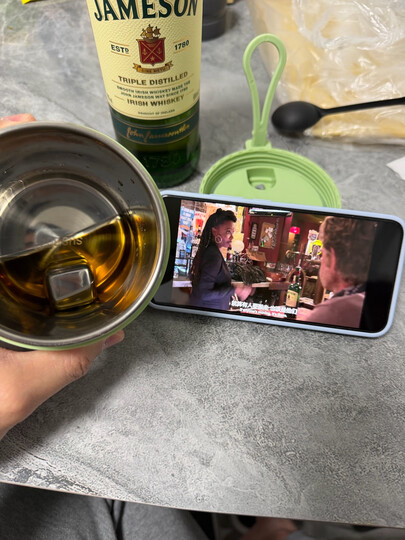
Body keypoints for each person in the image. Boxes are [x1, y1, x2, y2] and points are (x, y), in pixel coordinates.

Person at [297, 216, 376, 328]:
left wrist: (317, 317)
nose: (321, 260)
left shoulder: (335, 312)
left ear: (333, 259)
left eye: (322, 254)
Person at [189, 208, 252, 309]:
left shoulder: (211, 252)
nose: (232, 237)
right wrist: (235, 290)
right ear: (214, 231)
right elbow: (204, 293)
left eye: (232, 232)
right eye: (228, 232)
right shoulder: (213, 255)